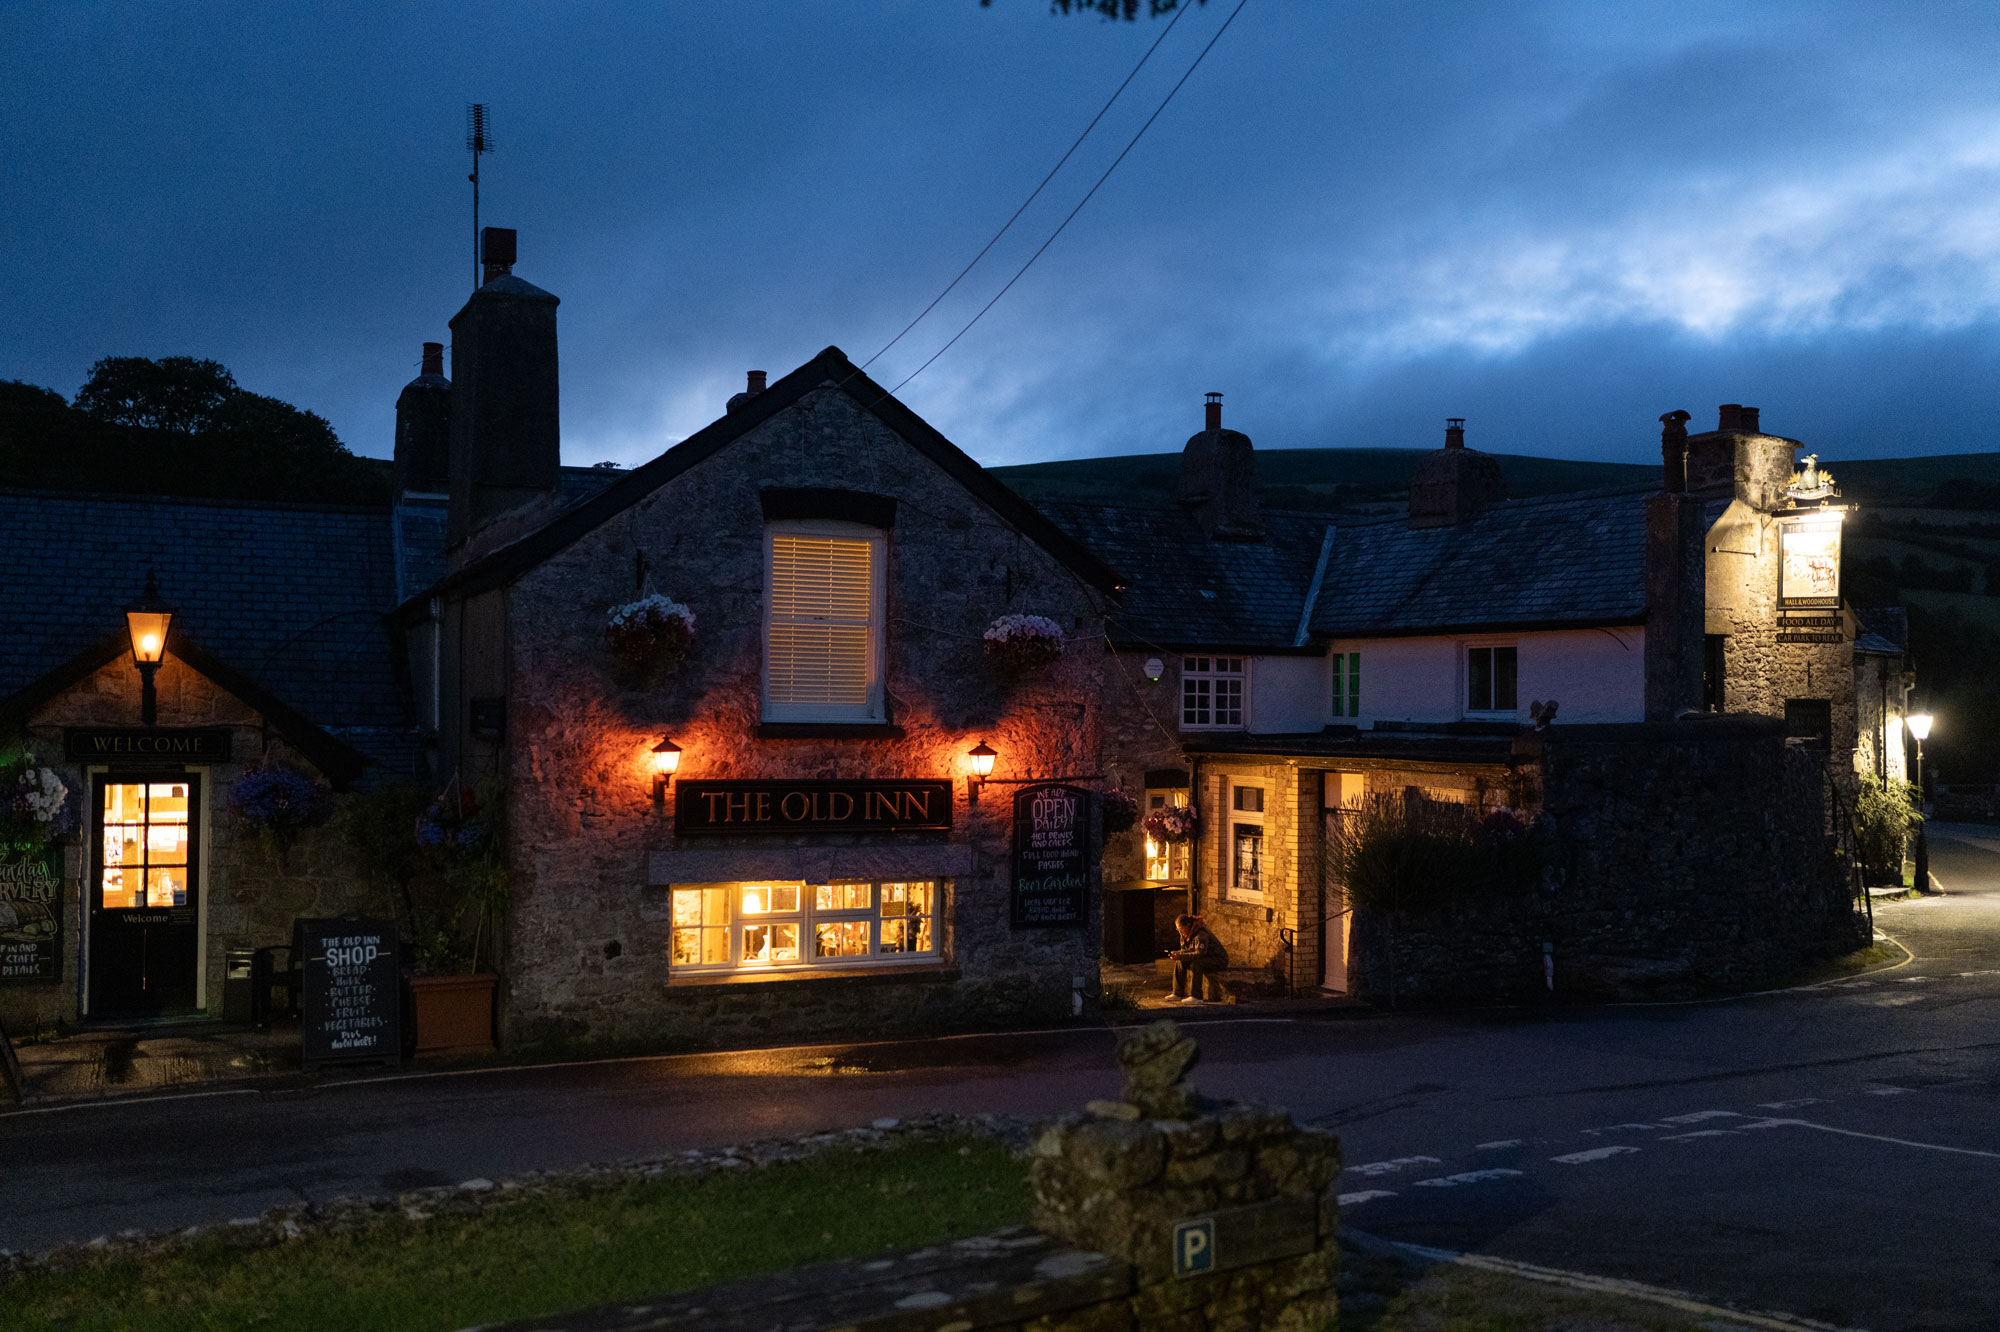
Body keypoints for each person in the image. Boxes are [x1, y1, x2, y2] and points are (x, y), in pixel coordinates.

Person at [1169, 913, 1228, 1004]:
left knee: (1196, 964)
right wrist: (1178, 954)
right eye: (1178, 929)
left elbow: (1200, 954)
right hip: (1205, 957)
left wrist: (1181, 955)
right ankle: (1178, 993)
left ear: (1188, 926)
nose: (1179, 932)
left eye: (1181, 929)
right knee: (1179, 962)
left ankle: (1196, 996)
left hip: (1217, 959)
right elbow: (1185, 950)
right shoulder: (1185, 934)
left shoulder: (1201, 934)